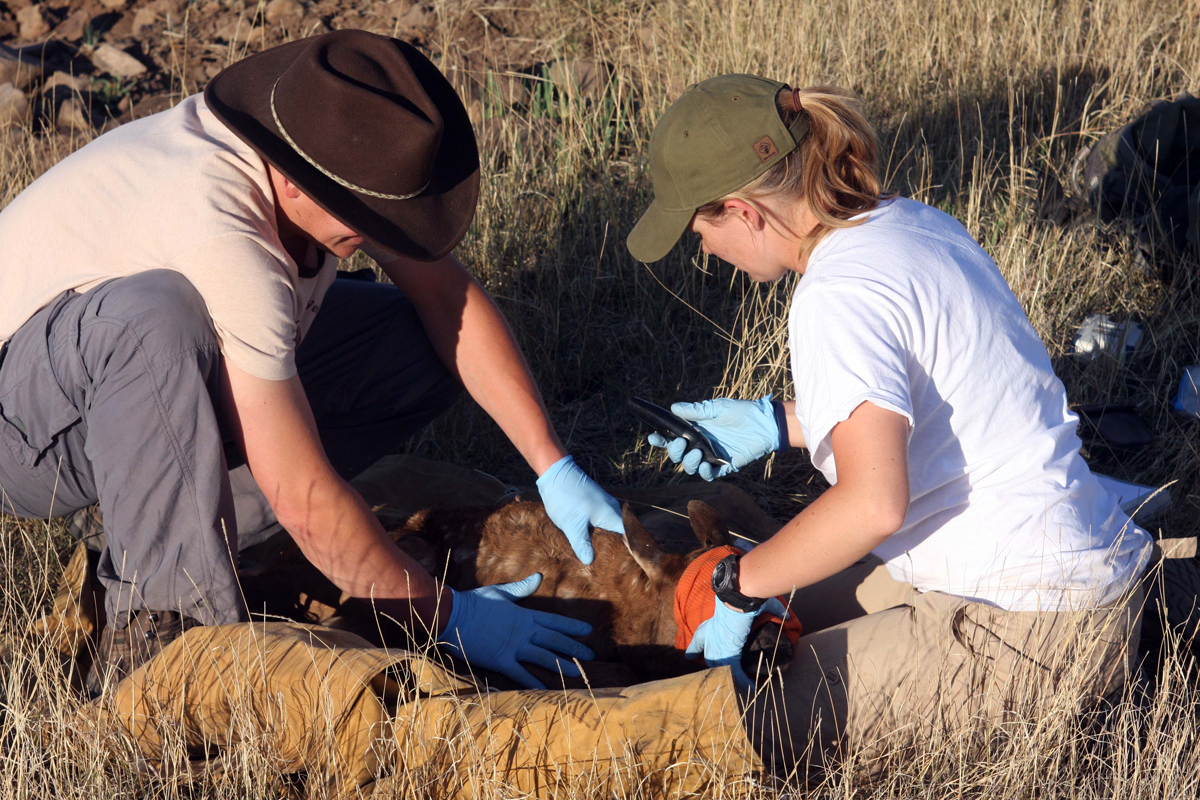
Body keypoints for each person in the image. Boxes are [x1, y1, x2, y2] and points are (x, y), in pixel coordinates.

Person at [0, 30, 624, 693]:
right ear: (295, 179)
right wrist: (447, 618)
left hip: (134, 386)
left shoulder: (322, 146)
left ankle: (186, 526)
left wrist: (552, 463)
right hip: (27, 427)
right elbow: (301, 496)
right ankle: (159, 630)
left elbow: (449, 302)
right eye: (365, 220)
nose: (374, 237)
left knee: (411, 346)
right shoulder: (222, 230)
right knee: (158, 314)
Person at [627, 75, 1153, 768]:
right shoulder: (909, 223)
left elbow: (873, 504)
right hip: (1079, 577)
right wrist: (775, 422)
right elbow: (946, 408)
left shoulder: (833, 296)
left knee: (713, 719)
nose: (703, 250)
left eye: (702, 228)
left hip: (1032, 631)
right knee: (778, 614)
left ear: (743, 211)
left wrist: (738, 583)